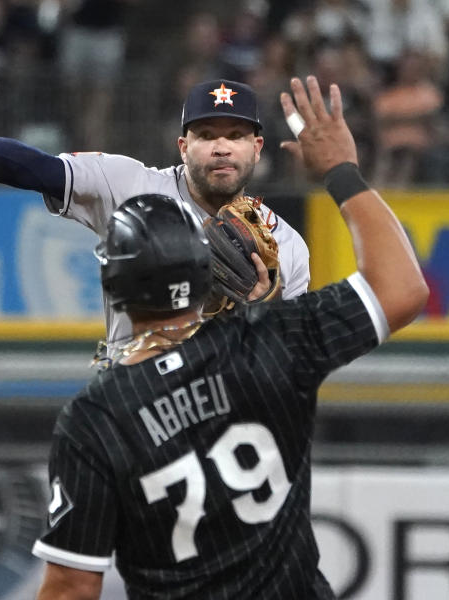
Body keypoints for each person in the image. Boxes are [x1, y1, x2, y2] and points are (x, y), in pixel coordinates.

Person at [30, 76, 428, 599]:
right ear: (205, 276)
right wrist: (341, 172)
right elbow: (402, 289)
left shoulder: (96, 420)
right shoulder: (275, 345)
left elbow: (70, 589)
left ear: (114, 286)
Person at [0, 78, 310, 354]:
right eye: (207, 134)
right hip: (133, 408)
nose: (222, 147)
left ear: (257, 148)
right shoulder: (131, 186)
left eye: (236, 135)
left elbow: (293, 361)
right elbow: (41, 170)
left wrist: (264, 317)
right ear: (183, 147)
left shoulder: (288, 246)